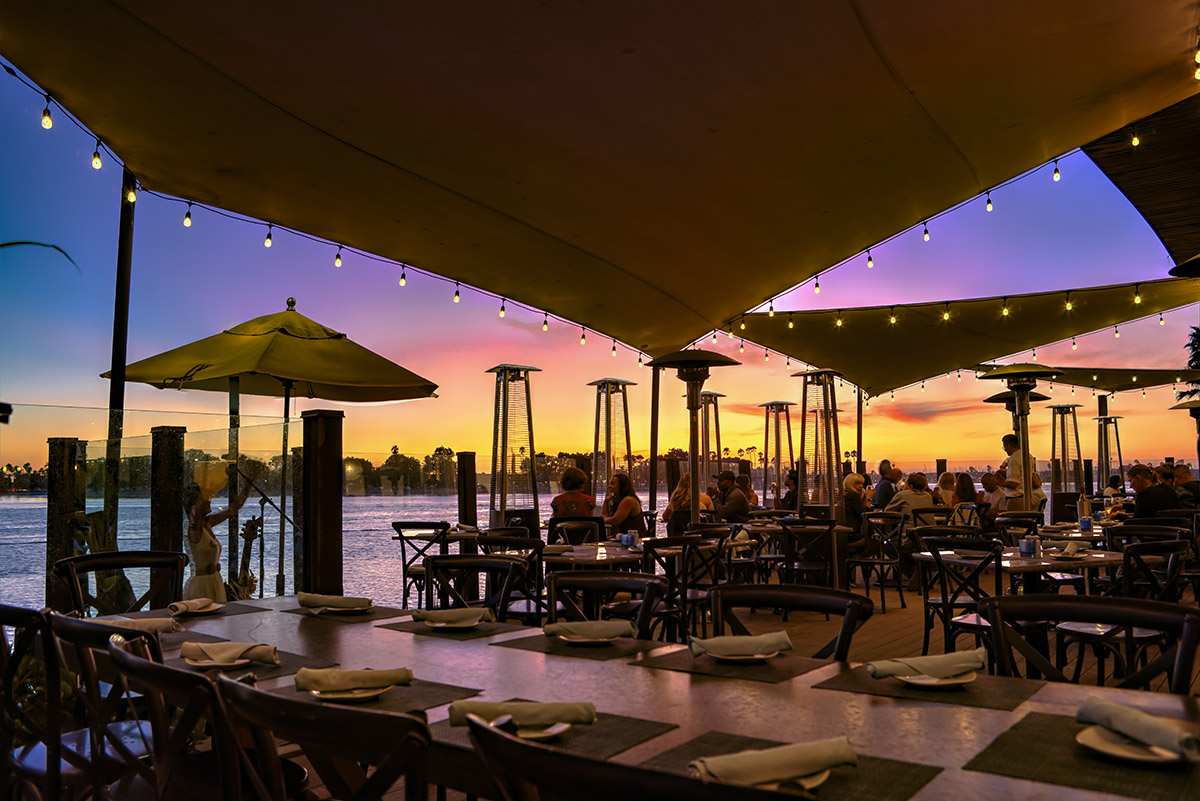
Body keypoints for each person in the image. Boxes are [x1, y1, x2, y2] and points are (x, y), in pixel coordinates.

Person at [183, 460, 262, 601]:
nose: (209, 500)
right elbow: (192, 514)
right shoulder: (194, 529)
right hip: (201, 587)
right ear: (194, 505)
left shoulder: (206, 525)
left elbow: (234, 508)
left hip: (214, 582)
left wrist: (249, 481)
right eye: (204, 498)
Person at [1112, 464, 1179, 520]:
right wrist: (1124, 506)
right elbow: (1150, 510)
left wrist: (1117, 516)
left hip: (1151, 533)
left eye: (1130, 481)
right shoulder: (1169, 490)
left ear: (1138, 478)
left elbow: (1136, 523)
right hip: (1170, 533)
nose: (1130, 486)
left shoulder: (1144, 494)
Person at [998, 434, 1035, 512]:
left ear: (1009, 445)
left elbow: (1013, 483)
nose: (1005, 450)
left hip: (1015, 499)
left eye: (1004, 447)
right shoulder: (1027, 455)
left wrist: (997, 482)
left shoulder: (1014, 459)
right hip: (1026, 498)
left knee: (1015, 523)